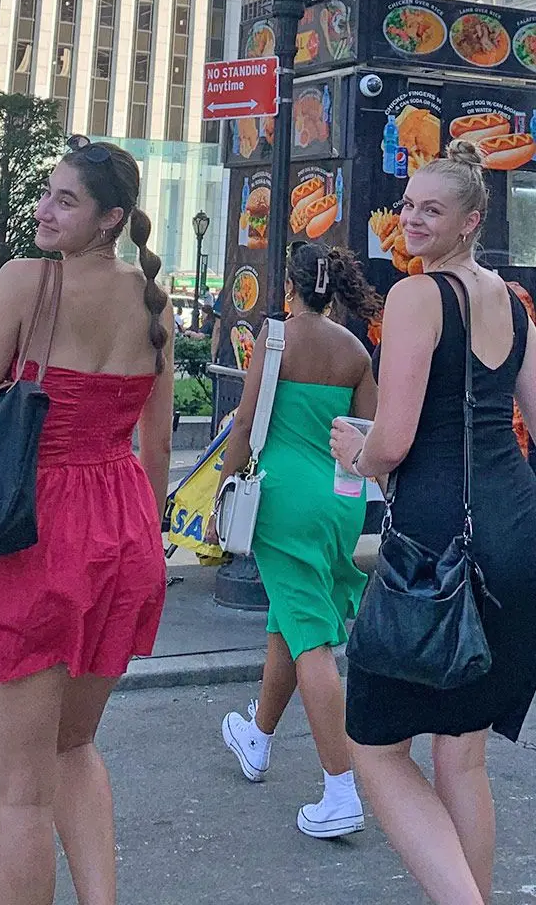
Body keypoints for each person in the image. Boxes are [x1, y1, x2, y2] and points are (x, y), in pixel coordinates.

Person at [0, 134, 173, 905]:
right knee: (75, 746)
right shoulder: (151, 299)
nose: (44, 209)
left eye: (65, 199)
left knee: (20, 792)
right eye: (47, 192)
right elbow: (157, 447)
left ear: (111, 219)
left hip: (40, 532)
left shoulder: (25, 281)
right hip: (127, 529)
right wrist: (147, 542)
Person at [331, 140, 536, 905]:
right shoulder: (513, 305)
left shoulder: (419, 297)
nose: (411, 220)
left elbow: (395, 439)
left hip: (436, 552)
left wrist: (358, 454)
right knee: (464, 756)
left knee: (375, 744)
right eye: (408, 204)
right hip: (516, 538)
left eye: (431, 210)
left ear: (470, 220)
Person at [209, 242, 380, 838]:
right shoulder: (356, 351)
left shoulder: (276, 339)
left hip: (281, 500)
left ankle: (341, 788)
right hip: (339, 503)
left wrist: (221, 490)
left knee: (310, 639)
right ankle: (257, 737)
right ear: (335, 290)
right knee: (294, 617)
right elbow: (368, 437)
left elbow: (245, 426)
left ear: (291, 285)